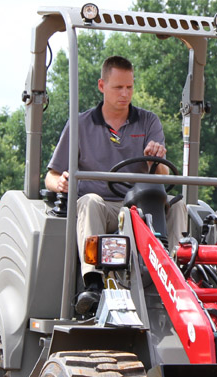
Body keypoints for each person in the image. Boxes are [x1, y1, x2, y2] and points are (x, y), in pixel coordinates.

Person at [45, 55, 182, 314]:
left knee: (180, 205)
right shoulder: (80, 124)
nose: (125, 93)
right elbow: (50, 176)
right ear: (101, 86)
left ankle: (176, 277)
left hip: (141, 209)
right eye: (118, 87)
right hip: (104, 209)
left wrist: (158, 158)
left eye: (129, 87)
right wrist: (60, 182)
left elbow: (163, 175)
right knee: (88, 201)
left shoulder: (148, 121)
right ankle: (93, 284)